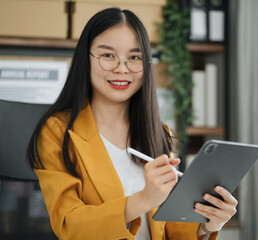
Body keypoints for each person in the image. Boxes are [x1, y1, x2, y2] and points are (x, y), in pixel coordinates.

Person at [27, 7, 237, 240]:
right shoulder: (58, 132)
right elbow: (69, 225)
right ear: (85, 59)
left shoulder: (159, 133)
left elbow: (171, 229)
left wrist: (207, 224)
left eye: (134, 57)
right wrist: (144, 199)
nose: (122, 68)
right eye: (108, 55)